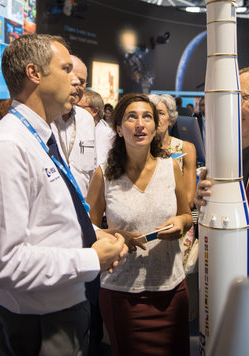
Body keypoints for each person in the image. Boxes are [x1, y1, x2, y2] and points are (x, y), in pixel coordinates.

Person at [0, 34, 127, 355]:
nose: (77, 80)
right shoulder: (6, 147)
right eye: (66, 68)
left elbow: (52, 218)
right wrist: (92, 258)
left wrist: (98, 236)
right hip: (34, 325)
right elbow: (2, 265)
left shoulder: (43, 135)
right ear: (35, 73)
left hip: (60, 312)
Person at [86, 93, 193, 356]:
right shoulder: (104, 175)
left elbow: (187, 215)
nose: (140, 124)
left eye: (147, 117)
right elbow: (87, 230)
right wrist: (115, 234)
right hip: (122, 293)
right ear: (119, 129)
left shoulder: (171, 168)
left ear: (156, 126)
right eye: (131, 117)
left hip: (171, 290)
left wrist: (181, 223)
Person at [194, 67, 249, 209]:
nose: (234, 107)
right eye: (232, 99)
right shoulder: (223, 157)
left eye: (243, 97)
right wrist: (202, 205)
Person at [52, 55, 97, 198]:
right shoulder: (44, 118)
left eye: (82, 82)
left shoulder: (86, 119)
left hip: (82, 208)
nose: (77, 84)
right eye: (71, 78)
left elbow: (91, 170)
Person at [149, 93, 197, 208]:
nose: (156, 118)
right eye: (150, 114)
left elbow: (189, 200)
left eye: (160, 113)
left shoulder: (186, 148)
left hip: (177, 218)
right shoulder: (140, 149)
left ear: (170, 120)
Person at [78, 89, 115, 166]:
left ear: (95, 111)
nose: (75, 111)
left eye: (79, 107)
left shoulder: (109, 136)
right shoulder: (73, 129)